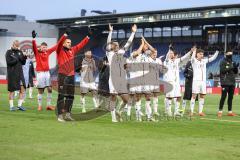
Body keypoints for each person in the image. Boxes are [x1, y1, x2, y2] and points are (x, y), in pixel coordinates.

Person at [56, 29, 91, 122]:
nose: (69, 44)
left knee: (71, 96)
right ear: (63, 44)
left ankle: (67, 114)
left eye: (70, 42)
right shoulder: (59, 50)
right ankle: (60, 115)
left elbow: (80, 45)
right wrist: (65, 34)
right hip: (63, 75)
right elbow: (59, 43)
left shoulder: (72, 50)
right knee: (61, 95)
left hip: (71, 76)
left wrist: (88, 36)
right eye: (67, 42)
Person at [106, 23, 137, 122]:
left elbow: (128, 43)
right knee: (113, 97)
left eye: (118, 45)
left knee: (126, 100)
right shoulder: (109, 53)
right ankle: (113, 117)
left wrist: (133, 33)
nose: (117, 46)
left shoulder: (121, 52)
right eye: (114, 44)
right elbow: (108, 42)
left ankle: (119, 111)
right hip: (113, 79)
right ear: (111, 46)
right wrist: (110, 32)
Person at [163, 45, 193, 117]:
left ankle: (176, 111)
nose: (171, 54)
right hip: (169, 82)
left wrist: (190, 52)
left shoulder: (176, 61)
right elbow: (167, 56)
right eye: (170, 53)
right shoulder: (166, 61)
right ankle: (168, 111)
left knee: (179, 96)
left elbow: (184, 57)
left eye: (172, 53)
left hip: (176, 82)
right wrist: (170, 49)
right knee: (169, 97)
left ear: (174, 55)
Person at [32, 30, 57, 111]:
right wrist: (33, 38)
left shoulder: (48, 52)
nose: (44, 48)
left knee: (50, 89)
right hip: (40, 73)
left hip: (47, 73)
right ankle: (39, 106)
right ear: (40, 47)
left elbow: (56, 47)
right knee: (41, 90)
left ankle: (48, 105)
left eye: (45, 47)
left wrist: (64, 37)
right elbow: (34, 47)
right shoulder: (37, 53)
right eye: (43, 47)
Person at [190, 49, 219, 116]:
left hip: (203, 81)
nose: (202, 55)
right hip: (196, 81)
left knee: (202, 95)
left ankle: (200, 112)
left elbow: (212, 58)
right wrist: (194, 51)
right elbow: (192, 58)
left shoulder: (204, 61)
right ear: (197, 54)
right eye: (200, 54)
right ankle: (191, 111)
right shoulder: (194, 61)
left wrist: (217, 52)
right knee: (194, 96)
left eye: (202, 54)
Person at [5, 40, 27, 111]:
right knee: (12, 90)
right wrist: (16, 59)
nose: (17, 47)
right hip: (12, 74)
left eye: (18, 46)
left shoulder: (20, 52)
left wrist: (25, 57)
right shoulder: (8, 52)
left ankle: (19, 105)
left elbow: (23, 63)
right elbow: (8, 62)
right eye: (16, 46)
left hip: (20, 73)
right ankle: (11, 106)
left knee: (22, 89)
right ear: (13, 44)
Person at [218, 50, 239, 117]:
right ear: (226, 54)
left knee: (231, 97)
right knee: (223, 97)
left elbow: (235, 72)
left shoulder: (233, 62)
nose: (230, 55)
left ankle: (230, 112)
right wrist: (232, 67)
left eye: (231, 54)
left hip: (232, 82)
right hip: (225, 82)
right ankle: (220, 111)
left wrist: (236, 68)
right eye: (229, 53)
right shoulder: (223, 62)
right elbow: (222, 70)